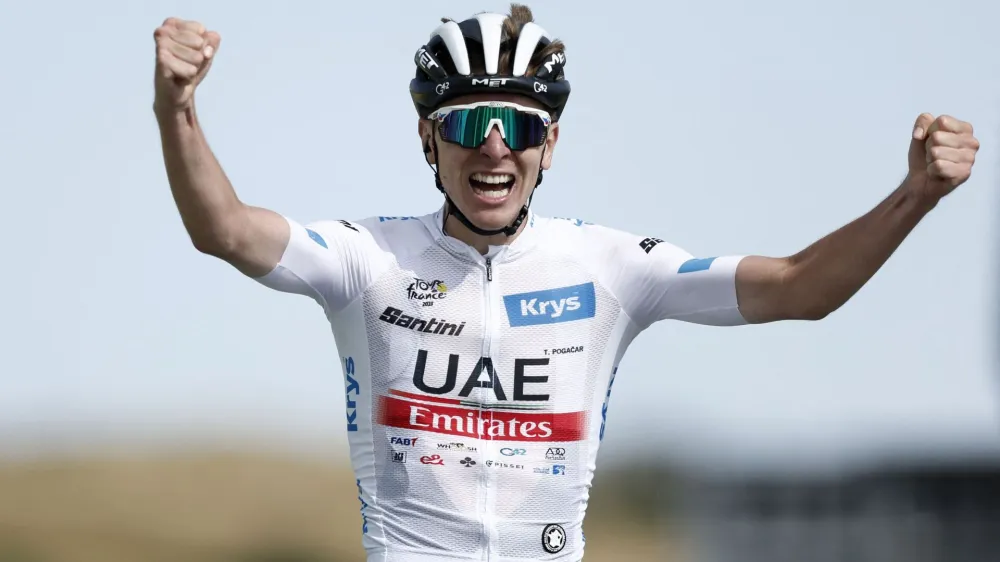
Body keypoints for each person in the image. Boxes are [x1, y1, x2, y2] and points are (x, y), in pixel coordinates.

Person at [152, 4, 979, 561]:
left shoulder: (612, 267)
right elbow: (223, 228)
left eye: (519, 125)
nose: (494, 147)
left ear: (552, 146)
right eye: (469, 124)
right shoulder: (368, 257)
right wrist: (177, 108)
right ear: (428, 140)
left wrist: (916, 195)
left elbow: (801, 288)